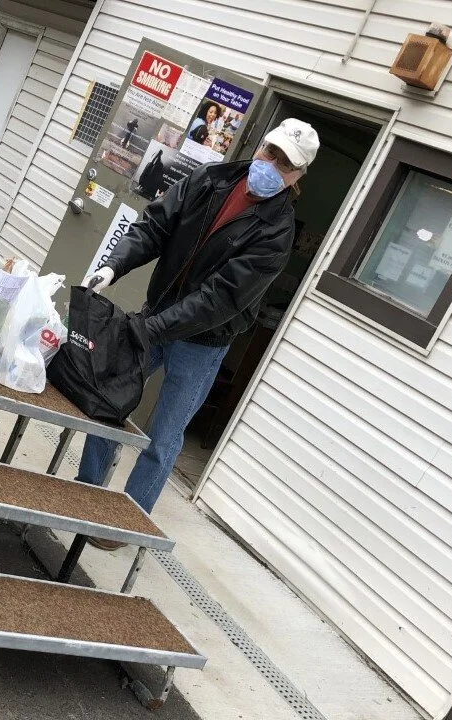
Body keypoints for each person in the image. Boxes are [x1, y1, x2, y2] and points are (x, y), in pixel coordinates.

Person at [79, 118, 320, 549]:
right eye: (272, 153)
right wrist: (114, 265)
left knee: (164, 437)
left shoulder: (277, 234)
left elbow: (219, 299)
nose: (273, 165)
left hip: (203, 343)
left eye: (286, 165)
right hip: (156, 315)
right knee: (106, 400)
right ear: (261, 145)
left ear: (299, 177)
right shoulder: (209, 180)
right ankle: (86, 491)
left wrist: (151, 327)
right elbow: (153, 227)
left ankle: (125, 522)